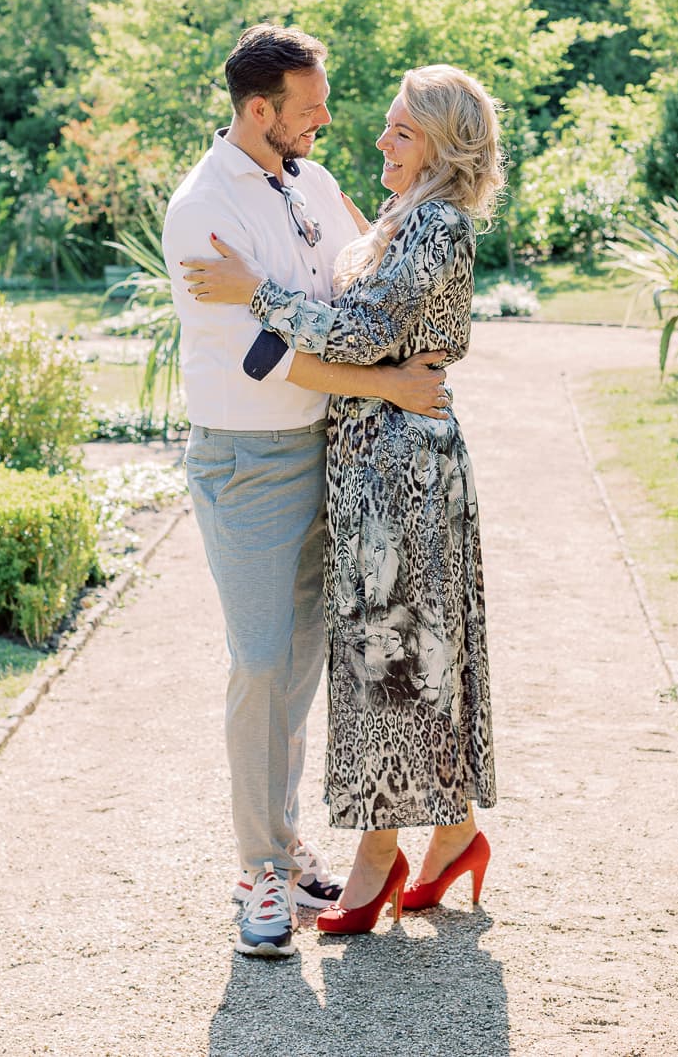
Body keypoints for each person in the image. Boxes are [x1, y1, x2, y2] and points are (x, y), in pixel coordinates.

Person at [182, 63, 501, 935]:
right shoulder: (402, 214)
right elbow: (356, 302)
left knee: (392, 660)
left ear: (439, 142)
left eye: (400, 129)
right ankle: (452, 834)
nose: (377, 138)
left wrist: (255, 289)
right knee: (401, 655)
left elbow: (362, 330)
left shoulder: (436, 223)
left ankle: (381, 854)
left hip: (401, 467)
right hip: (367, 456)